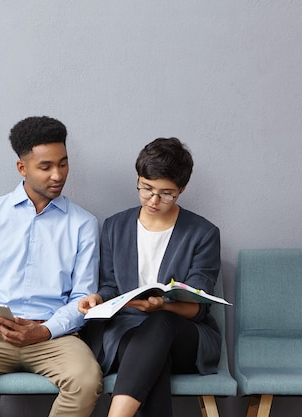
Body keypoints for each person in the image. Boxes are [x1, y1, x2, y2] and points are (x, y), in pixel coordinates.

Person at [0, 116, 103, 417]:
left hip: (53, 335)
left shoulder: (83, 224)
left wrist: (45, 331)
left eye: (63, 164)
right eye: (46, 166)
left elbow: (83, 298)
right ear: (22, 168)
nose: (58, 175)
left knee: (87, 380)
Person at [78, 138, 222, 417]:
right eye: (146, 189)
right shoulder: (115, 226)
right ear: (138, 179)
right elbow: (109, 286)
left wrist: (164, 305)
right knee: (154, 362)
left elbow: (199, 306)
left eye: (166, 193)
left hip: (184, 337)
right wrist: (97, 297)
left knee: (162, 323)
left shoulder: (203, 233)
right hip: (126, 334)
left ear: (181, 189)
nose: (154, 200)